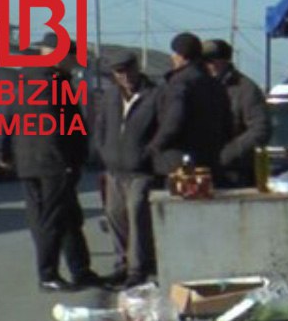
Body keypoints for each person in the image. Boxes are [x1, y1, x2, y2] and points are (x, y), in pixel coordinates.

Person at [0, 33, 100, 291]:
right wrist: (70, 159)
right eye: (73, 59)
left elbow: (5, 119)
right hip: (53, 162)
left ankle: (80, 270)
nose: (75, 65)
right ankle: (49, 275)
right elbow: (61, 127)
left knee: (62, 217)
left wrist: (4, 152)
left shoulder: (21, 79)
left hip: (28, 162)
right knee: (53, 219)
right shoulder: (53, 83)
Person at [90, 52, 160, 288]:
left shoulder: (154, 94)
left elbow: (164, 128)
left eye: (129, 69)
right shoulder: (110, 96)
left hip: (141, 170)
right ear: (114, 75)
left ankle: (138, 268)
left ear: (137, 67)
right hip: (114, 169)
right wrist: (103, 151)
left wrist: (148, 153)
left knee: (137, 213)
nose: (126, 76)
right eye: (120, 72)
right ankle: (121, 265)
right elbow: (100, 126)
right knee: (115, 216)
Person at [148, 32, 232, 177]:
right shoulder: (214, 84)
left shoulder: (179, 83)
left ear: (180, 56)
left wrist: (153, 147)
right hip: (210, 159)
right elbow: (227, 122)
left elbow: (173, 122)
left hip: (177, 161)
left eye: (174, 53)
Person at [203, 38, 269, 187]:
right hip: (204, 170)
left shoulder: (246, 89)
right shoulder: (201, 87)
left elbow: (260, 130)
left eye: (211, 61)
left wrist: (227, 154)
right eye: (204, 61)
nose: (207, 65)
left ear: (224, 61)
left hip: (234, 173)